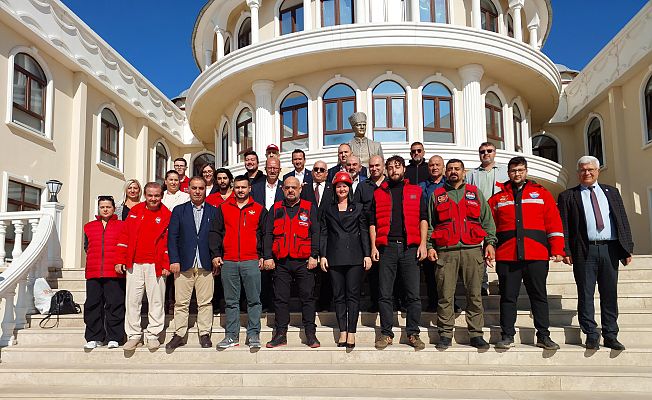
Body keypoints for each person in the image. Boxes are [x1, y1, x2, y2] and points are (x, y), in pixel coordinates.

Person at [557, 156, 633, 351]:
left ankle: (610, 334)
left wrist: (627, 248)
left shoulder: (612, 192)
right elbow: (564, 225)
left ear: (598, 171)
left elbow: (622, 220)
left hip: (610, 249)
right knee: (585, 293)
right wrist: (565, 250)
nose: (587, 173)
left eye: (590, 169)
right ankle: (590, 333)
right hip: (584, 250)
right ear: (578, 173)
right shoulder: (568, 196)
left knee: (609, 294)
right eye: (583, 170)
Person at [488, 157, 564, 350]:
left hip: (536, 255)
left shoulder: (542, 194)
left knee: (539, 297)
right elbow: (489, 226)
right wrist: (488, 248)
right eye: (513, 170)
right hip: (507, 256)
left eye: (520, 170)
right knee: (507, 297)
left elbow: (553, 223)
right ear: (508, 173)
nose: (517, 174)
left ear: (526, 171)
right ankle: (507, 335)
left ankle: (544, 336)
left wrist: (557, 249)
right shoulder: (497, 198)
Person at [427, 159, 496, 350]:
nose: (453, 172)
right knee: (445, 296)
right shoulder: (437, 195)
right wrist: (429, 246)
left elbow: (487, 221)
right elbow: (431, 225)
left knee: (474, 295)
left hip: (472, 250)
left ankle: (476, 334)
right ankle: (445, 334)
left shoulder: (475, 193)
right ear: (445, 173)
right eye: (450, 169)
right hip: (446, 253)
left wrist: (490, 243)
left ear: (464, 172)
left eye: (457, 169)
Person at [369, 155, 428, 351]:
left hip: (410, 247)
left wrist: (423, 245)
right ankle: (386, 333)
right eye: (391, 167)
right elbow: (372, 223)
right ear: (386, 170)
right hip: (386, 248)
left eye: (398, 167)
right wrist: (373, 246)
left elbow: (423, 219)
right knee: (385, 294)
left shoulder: (416, 191)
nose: (394, 170)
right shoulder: (378, 193)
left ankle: (413, 333)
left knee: (413, 294)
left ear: (403, 169)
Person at [209, 175, 267, 349]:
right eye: (237, 187)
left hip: (251, 260)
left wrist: (264, 255)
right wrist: (215, 254)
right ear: (233, 188)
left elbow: (265, 234)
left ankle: (254, 334)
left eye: (244, 187)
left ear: (250, 188)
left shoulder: (259, 209)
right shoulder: (223, 208)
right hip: (229, 261)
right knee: (231, 301)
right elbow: (215, 232)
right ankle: (231, 336)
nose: (240, 190)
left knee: (254, 300)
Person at [264, 177, 321, 348]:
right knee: (280, 299)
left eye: (294, 187)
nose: (290, 190)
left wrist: (314, 255)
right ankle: (280, 334)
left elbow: (316, 232)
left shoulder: (309, 207)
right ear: (282, 189)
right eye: (287, 187)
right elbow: (268, 234)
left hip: (304, 261)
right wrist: (267, 256)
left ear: (300, 189)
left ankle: (310, 334)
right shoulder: (275, 209)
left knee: (308, 298)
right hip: (281, 262)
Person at [116, 182, 171, 351]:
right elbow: (124, 236)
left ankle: (153, 334)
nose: (153, 198)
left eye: (156, 195)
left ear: (161, 196)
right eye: (150, 195)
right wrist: (120, 259)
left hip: (156, 264)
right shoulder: (135, 212)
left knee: (156, 301)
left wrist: (166, 263)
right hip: (134, 264)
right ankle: (134, 335)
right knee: (132, 301)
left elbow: (170, 241)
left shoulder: (167, 214)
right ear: (145, 195)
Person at [320, 172, 372, 349]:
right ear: (334, 189)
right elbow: (324, 233)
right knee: (339, 296)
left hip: (355, 257)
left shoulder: (358, 207)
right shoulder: (328, 208)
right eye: (338, 186)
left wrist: (367, 254)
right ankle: (342, 330)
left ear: (349, 188)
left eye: (345, 186)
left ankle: (352, 332)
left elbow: (363, 231)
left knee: (353, 296)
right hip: (334, 257)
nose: (342, 189)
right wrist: (323, 255)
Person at [165, 177, 218, 350]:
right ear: (188, 189)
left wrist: (216, 259)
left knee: (205, 302)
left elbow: (217, 237)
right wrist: (174, 260)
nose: (197, 191)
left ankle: (204, 333)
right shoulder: (179, 211)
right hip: (183, 263)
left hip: (205, 263)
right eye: (194, 188)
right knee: (181, 302)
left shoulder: (213, 211)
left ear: (205, 190)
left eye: (201, 188)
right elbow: (172, 237)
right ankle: (179, 334)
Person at [82, 196, 125, 350]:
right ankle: (94, 337)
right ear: (98, 209)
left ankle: (115, 337)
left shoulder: (122, 226)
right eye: (102, 207)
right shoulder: (89, 226)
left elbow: (124, 247)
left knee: (115, 305)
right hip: (94, 272)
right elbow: (87, 247)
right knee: (93, 305)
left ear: (114, 208)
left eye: (108, 206)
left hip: (114, 272)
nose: (105, 209)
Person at [466, 142, 508, 296]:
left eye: (489, 151)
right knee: (480, 252)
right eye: (482, 151)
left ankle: (503, 283)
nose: (486, 153)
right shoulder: (471, 174)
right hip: (478, 218)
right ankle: (482, 285)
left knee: (502, 251)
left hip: (499, 216)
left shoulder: (504, 172)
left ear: (495, 153)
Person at [300, 160, 334, 311]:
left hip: (328, 235)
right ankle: (310, 304)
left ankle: (325, 304)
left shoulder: (332, 189)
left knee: (326, 271)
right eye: (316, 169)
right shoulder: (305, 190)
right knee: (310, 273)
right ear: (312, 172)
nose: (319, 172)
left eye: (322, 170)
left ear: (327, 173)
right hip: (308, 235)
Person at [419, 155, 447, 312]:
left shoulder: (449, 185)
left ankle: (450, 301)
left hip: (445, 232)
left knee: (448, 272)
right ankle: (432, 301)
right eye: (431, 165)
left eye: (437, 165)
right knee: (430, 272)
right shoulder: (422, 186)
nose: (434, 167)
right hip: (429, 232)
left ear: (442, 167)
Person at [361, 155, 386, 313]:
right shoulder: (364, 186)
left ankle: (394, 301)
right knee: (373, 272)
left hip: (387, 232)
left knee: (390, 271)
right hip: (368, 231)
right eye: (371, 166)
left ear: (383, 166)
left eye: (377, 165)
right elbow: (357, 208)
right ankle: (375, 302)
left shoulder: (390, 184)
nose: (374, 168)